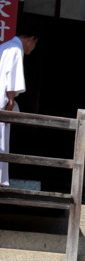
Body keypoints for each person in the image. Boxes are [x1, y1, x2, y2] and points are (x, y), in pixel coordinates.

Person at [0, 30, 38, 186]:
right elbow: (11, 79)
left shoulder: (4, 46)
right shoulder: (16, 50)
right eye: (35, 44)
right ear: (31, 39)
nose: (33, 48)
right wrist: (10, 100)